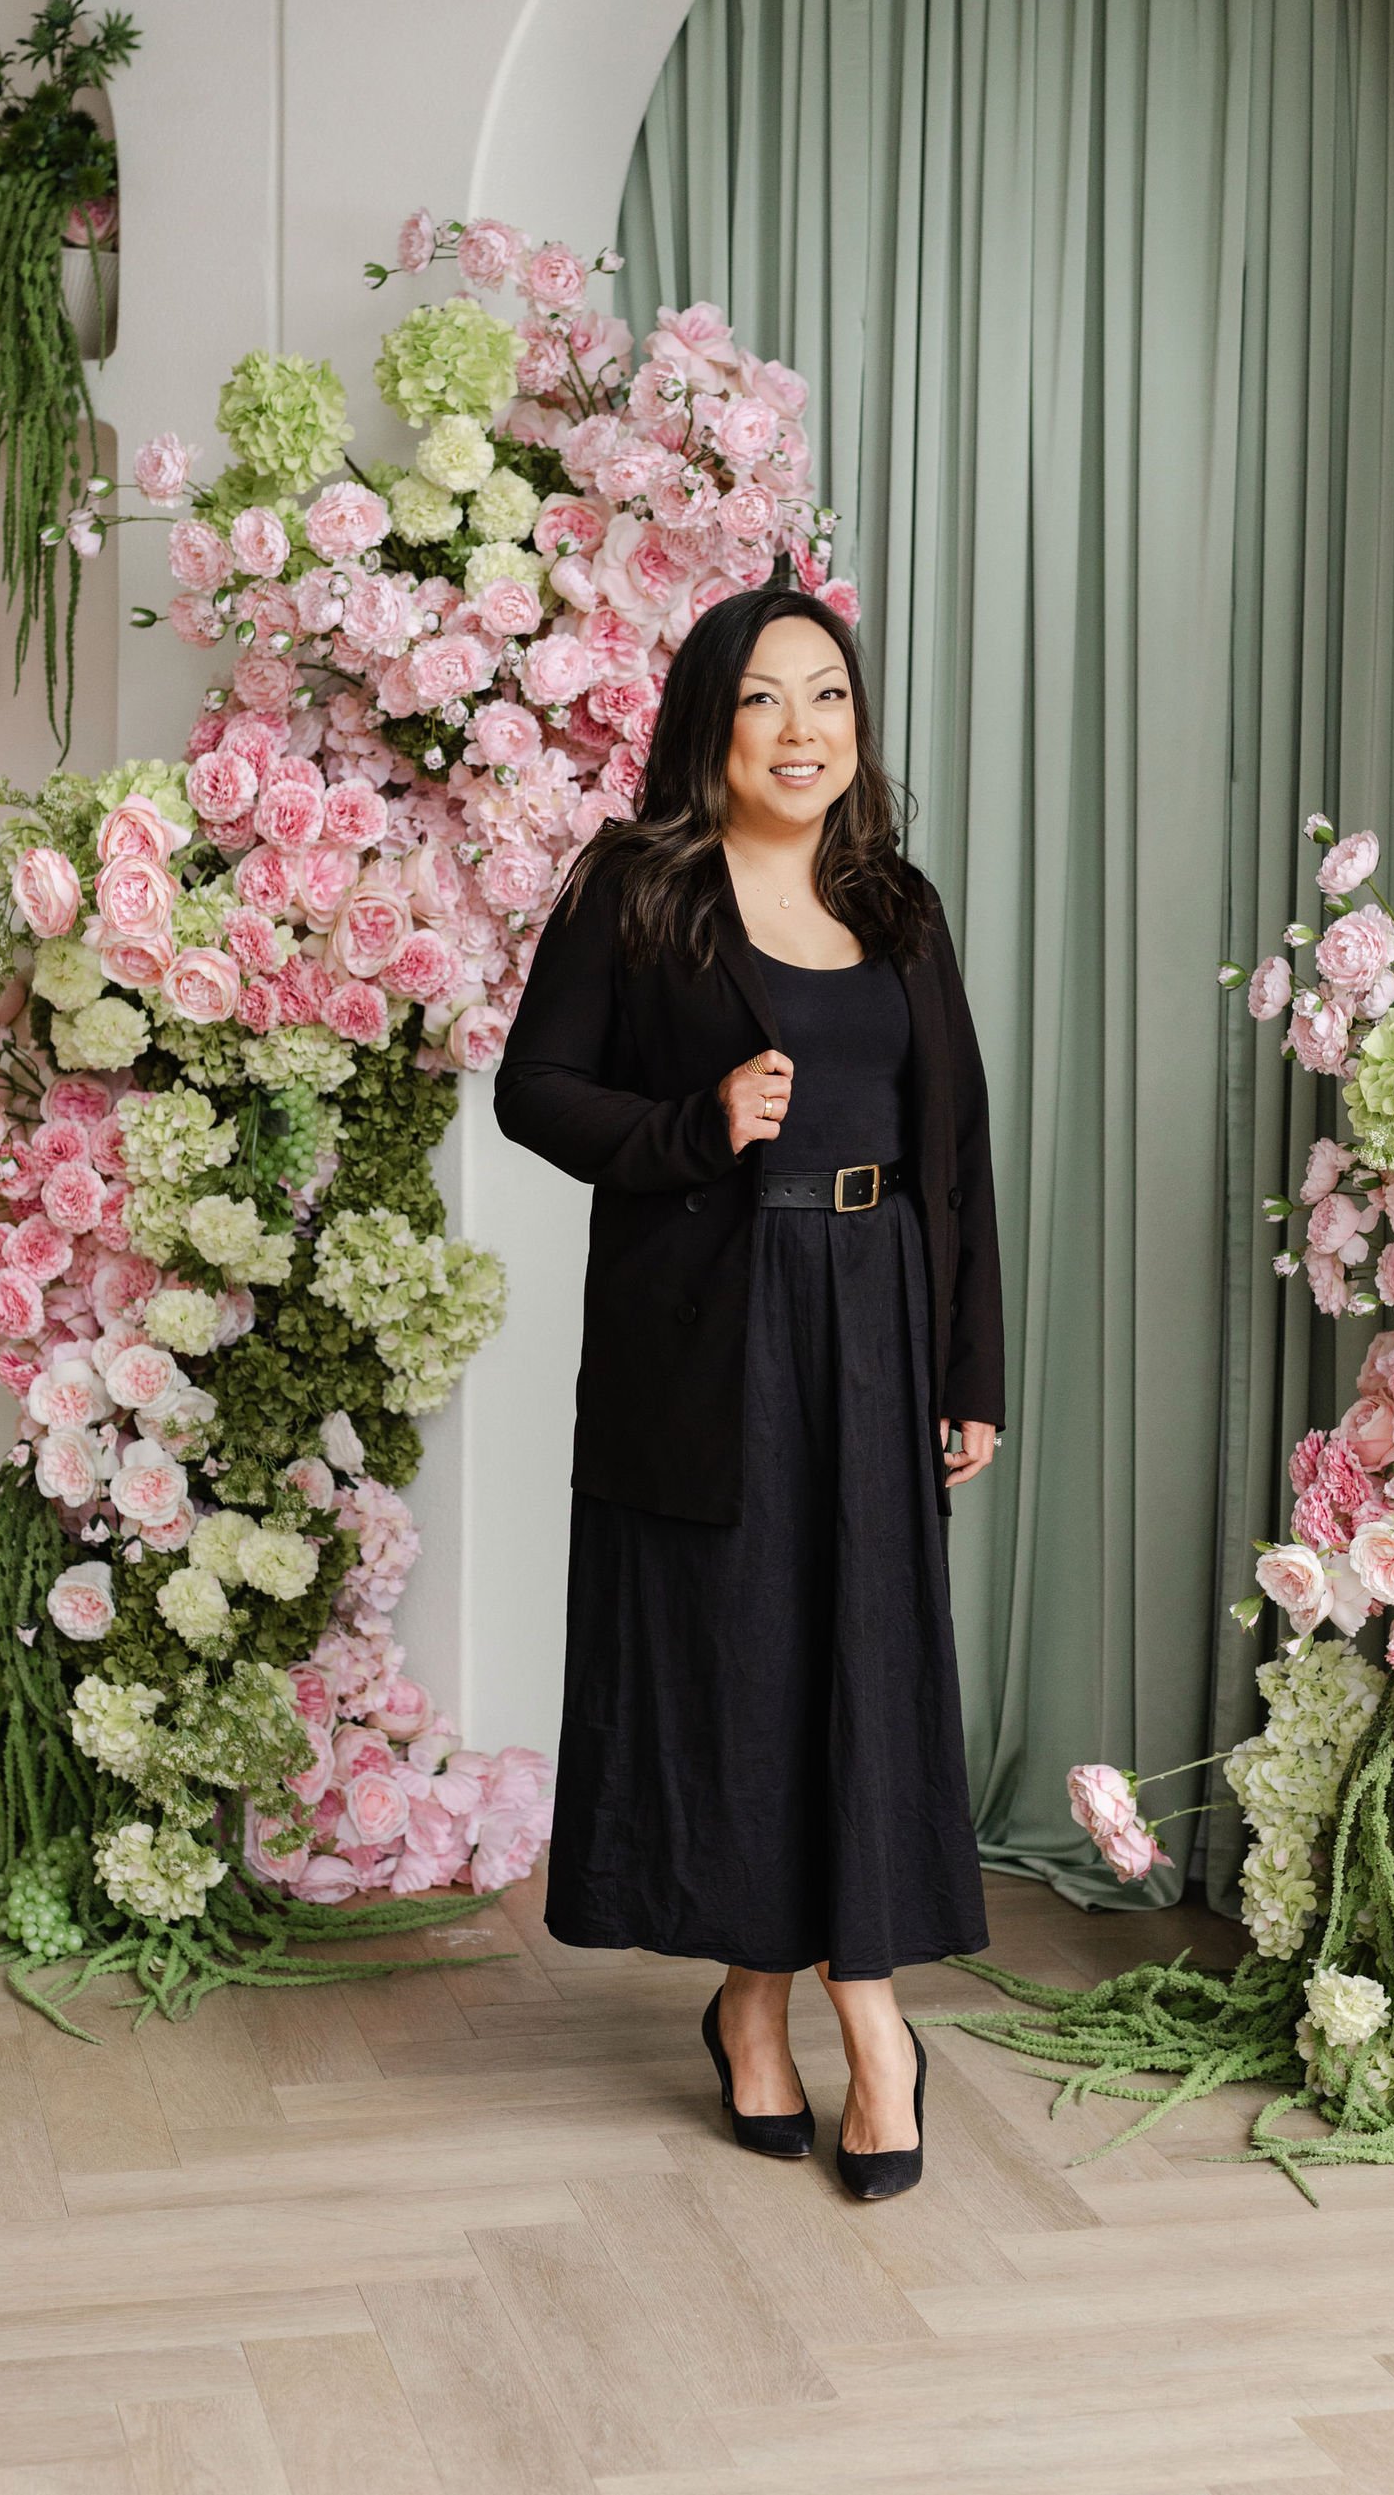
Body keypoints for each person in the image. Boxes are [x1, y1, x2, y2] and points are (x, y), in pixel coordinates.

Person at [493, 585, 1004, 2201]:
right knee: (739, 1661)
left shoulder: (898, 904)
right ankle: (788, 2012)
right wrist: (695, 1121)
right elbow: (533, 1092)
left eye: (831, 698)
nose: (804, 730)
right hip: (711, 1333)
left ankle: (840, 2010)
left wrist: (969, 1366)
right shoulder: (639, 894)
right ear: (711, 722)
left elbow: (961, 1155)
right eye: (768, 701)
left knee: (859, 1661)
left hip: (875, 1325)